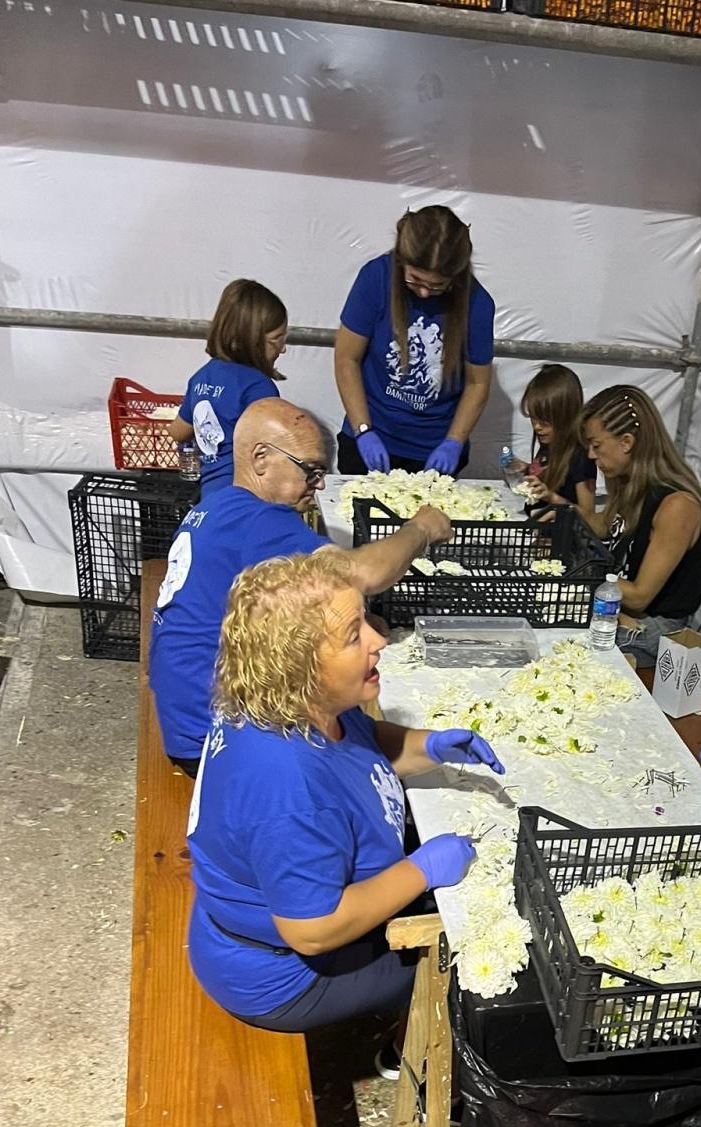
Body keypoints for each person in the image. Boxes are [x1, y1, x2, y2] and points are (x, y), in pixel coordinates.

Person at [187, 546, 502, 1032]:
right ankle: (418, 1057)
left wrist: (431, 746)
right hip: (286, 977)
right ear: (302, 669)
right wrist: (422, 871)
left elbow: (361, 742)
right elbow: (313, 931)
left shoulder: (283, 702)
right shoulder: (289, 792)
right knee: (483, 970)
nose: (379, 641)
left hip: (255, 919)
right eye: (355, 636)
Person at [150, 398, 451, 776]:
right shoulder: (262, 521)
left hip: (183, 711)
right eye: (311, 470)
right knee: (358, 736)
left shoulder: (220, 503)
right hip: (212, 735)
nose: (320, 484)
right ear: (261, 458)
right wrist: (421, 529)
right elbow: (366, 573)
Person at [334, 205, 494, 478]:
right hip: (371, 438)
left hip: (432, 451)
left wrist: (454, 442)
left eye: (437, 286)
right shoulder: (376, 278)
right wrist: (363, 430)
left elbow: (477, 383)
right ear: (401, 260)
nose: (423, 293)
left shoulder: (477, 303)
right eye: (416, 280)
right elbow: (347, 358)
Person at [576, 386, 701, 667]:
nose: (590, 455)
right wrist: (564, 514)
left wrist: (578, 570)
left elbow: (638, 596)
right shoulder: (631, 485)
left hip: (653, 632)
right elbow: (604, 527)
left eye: (596, 445)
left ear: (626, 442)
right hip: (618, 612)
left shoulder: (677, 505)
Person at [167, 279, 287, 494]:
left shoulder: (201, 377)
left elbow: (177, 432)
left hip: (211, 496)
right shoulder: (259, 388)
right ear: (252, 339)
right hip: (246, 497)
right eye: (276, 339)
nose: (283, 348)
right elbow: (273, 454)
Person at [517, 364, 597, 519]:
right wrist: (525, 468)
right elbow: (550, 473)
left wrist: (552, 499)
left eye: (545, 420)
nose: (537, 427)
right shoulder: (549, 442)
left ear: (567, 416)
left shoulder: (581, 456)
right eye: (533, 418)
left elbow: (588, 515)